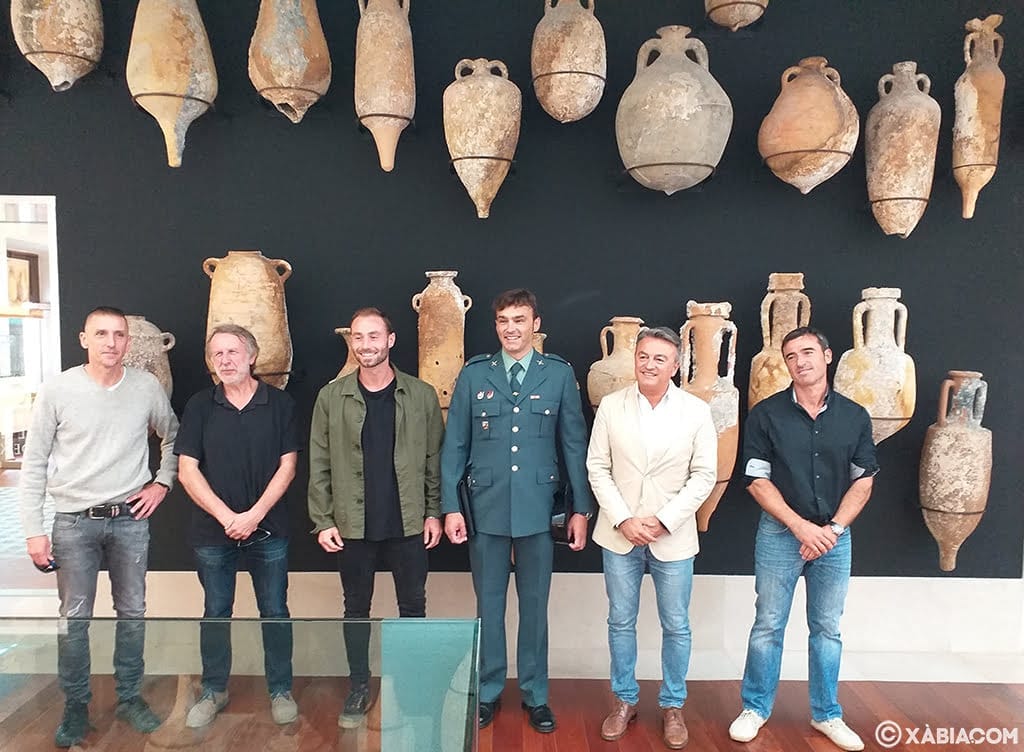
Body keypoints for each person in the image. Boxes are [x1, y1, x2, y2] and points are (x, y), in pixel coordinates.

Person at [19, 306, 179, 748]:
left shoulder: (146, 387)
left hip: (129, 521)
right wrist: (33, 529)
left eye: (119, 335)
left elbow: (174, 437)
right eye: (102, 334)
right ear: (84, 339)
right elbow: (33, 463)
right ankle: (75, 705)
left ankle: (129, 697)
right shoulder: (58, 389)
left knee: (132, 614)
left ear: (129, 342)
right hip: (73, 522)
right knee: (74, 620)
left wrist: (162, 483)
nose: (111, 342)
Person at [441, 288, 595, 733]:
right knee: (488, 606)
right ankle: (488, 690)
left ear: (535, 323)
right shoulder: (474, 375)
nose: (511, 328)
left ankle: (535, 694)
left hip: (537, 508)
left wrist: (580, 509)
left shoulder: (558, 375)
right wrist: (451, 507)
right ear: (496, 326)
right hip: (485, 508)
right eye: (504, 320)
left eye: (520, 319)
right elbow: (455, 447)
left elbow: (572, 444)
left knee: (535, 606)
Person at [728, 327, 878, 752]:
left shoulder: (854, 416)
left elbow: (864, 480)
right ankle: (755, 708)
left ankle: (827, 713)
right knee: (768, 625)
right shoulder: (766, 415)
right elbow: (757, 481)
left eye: (808, 352)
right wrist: (799, 526)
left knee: (827, 629)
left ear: (828, 357)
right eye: (791, 356)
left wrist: (830, 531)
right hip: (781, 534)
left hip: (834, 537)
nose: (801, 362)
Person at [308, 307, 443, 728]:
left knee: (413, 607)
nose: (366, 345)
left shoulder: (420, 394)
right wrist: (323, 518)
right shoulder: (332, 396)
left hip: (408, 521)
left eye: (374, 336)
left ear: (391, 340)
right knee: (355, 608)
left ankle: (412, 685)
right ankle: (359, 685)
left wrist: (434, 512)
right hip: (352, 523)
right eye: (358, 337)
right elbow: (320, 461)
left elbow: (433, 459)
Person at [586, 326, 718, 749]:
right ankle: (624, 700)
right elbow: (597, 468)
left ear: (676, 365)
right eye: (643, 356)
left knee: (676, 624)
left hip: (672, 536)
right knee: (620, 621)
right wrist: (624, 519)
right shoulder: (611, 406)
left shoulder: (696, 411)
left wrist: (663, 520)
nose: (649, 364)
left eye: (660, 358)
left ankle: (673, 705)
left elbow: (704, 476)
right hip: (620, 534)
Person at [175, 324, 300, 728]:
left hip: (269, 529)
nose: (225, 360)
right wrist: (228, 517)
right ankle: (213, 690)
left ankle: (280, 689)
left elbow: (289, 466)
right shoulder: (199, 405)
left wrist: (254, 515)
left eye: (233, 352)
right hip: (214, 532)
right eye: (218, 354)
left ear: (252, 355)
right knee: (215, 612)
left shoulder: (280, 404)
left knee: (275, 611)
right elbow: (187, 470)